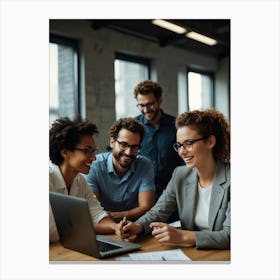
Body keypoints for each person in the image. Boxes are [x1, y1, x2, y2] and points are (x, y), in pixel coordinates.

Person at [117, 109, 230, 249]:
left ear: (210, 142)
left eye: (188, 143)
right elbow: (158, 212)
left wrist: (183, 236)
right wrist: (138, 226)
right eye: (179, 145)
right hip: (192, 253)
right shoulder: (180, 175)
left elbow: (230, 235)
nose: (182, 152)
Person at [49, 116, 118, 242]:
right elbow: (53, 231)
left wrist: (116, 227)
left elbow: (97, 214)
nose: (93, 158)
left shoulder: (79, 180)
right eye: (86, 151)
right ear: (65, 152)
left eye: (93, 151)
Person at [84, 117, 155, 223]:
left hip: (134, 226)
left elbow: (146, 207)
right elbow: (92, 209)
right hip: (102, 225)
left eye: (134, 147)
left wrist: (118, 216)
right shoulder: (94, 165)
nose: (128, 152)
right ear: (112, 142)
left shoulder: (145, 165)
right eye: (123, 145)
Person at [134, 80, 183, 202]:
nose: (146, 109)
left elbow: (183, 163)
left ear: (159, 101)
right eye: (141, 105)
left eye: (150, 104)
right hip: (140, 195)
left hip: (172, 194)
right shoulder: (133, 127)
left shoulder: (176, 127)